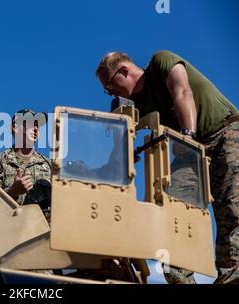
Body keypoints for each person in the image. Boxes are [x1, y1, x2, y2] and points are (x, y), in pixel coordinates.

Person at [95, 50, 238, 284]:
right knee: (171, 215)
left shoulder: (160, 61)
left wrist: (188, 136)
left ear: (124, 71)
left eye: (110, 86)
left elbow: (182, 91)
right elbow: (119, 148)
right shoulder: (135, 105)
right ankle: (180, 278)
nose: (110, 92)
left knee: (233, 210)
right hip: (189, 152)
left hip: (225, 134)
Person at [0, 109, 52, 218]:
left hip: (43, 232)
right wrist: (13, 191)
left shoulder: (50, 167)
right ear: (15, 128)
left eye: (37, 125)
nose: (36, 129)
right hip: (7, 231)